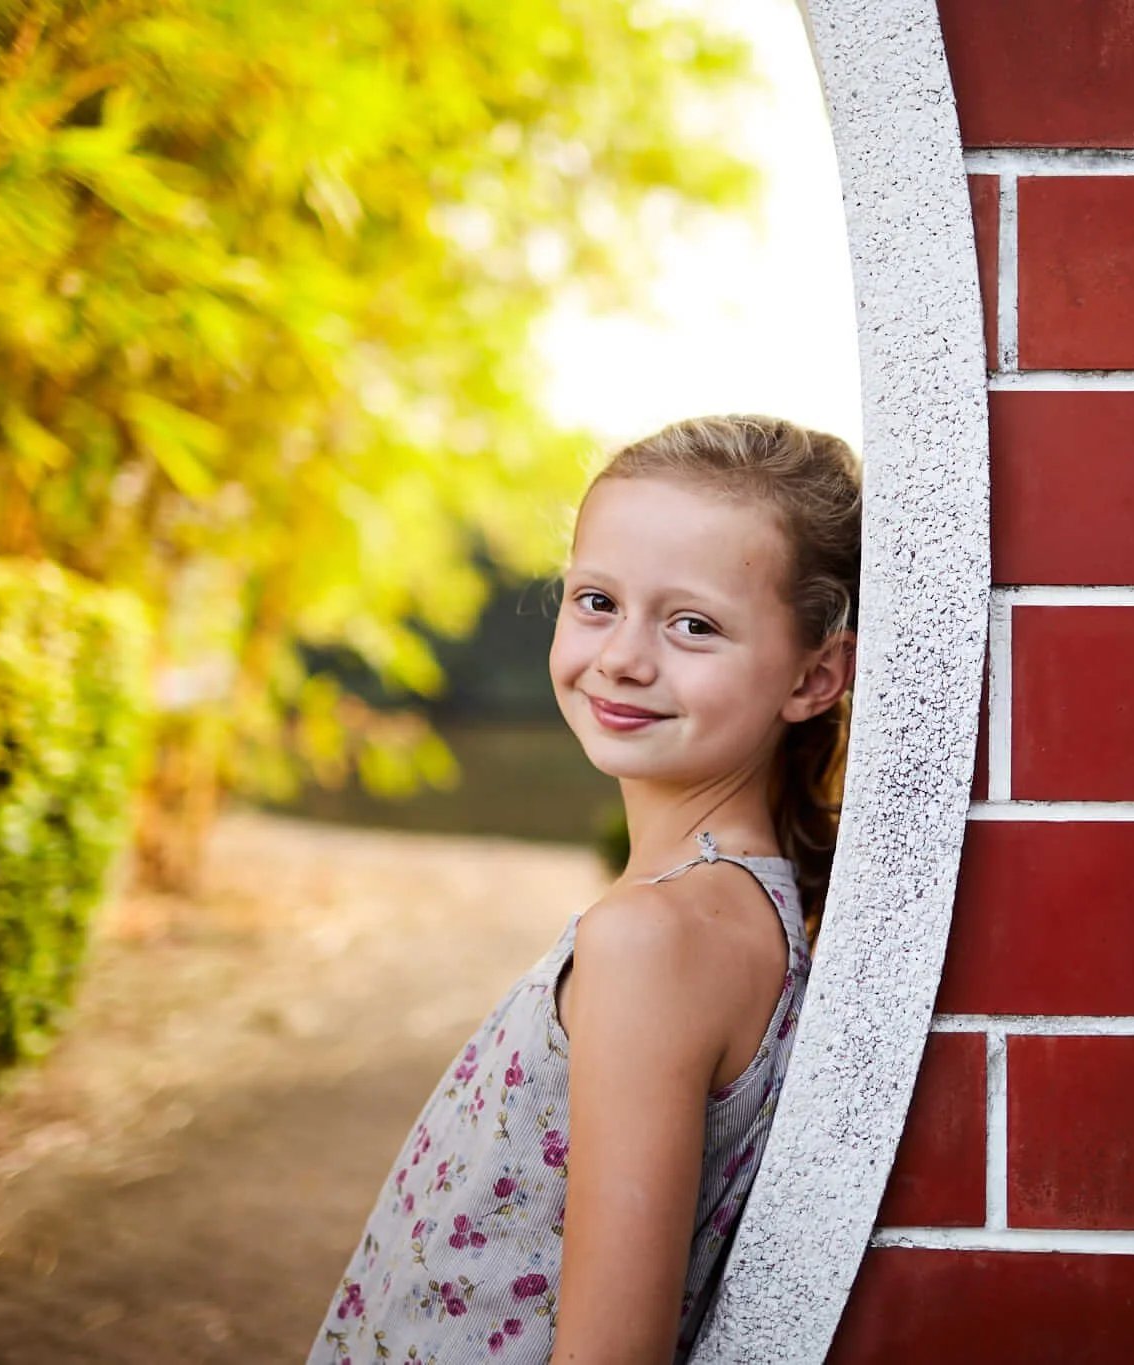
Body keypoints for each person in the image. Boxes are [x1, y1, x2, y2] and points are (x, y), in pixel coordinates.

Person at [307, 415, 861, 1365]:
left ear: (814, 676)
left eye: (693, 624)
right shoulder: (721, 909)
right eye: (596, 600)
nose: (622, 657)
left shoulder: (659, 936)